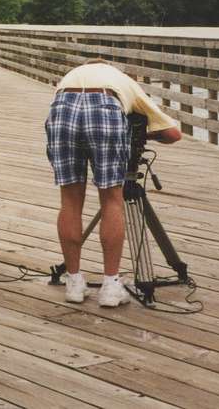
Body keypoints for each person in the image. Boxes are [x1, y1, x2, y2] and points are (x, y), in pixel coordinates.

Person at [45, 59, 181, 307]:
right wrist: (136, 133)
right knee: (111, 200)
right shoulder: (123, 81)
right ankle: (110, 286)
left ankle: (74, 283)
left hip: (62, 107)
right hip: (105, 107)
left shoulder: (72, 75)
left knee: (70, 201)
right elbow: (173, 134)